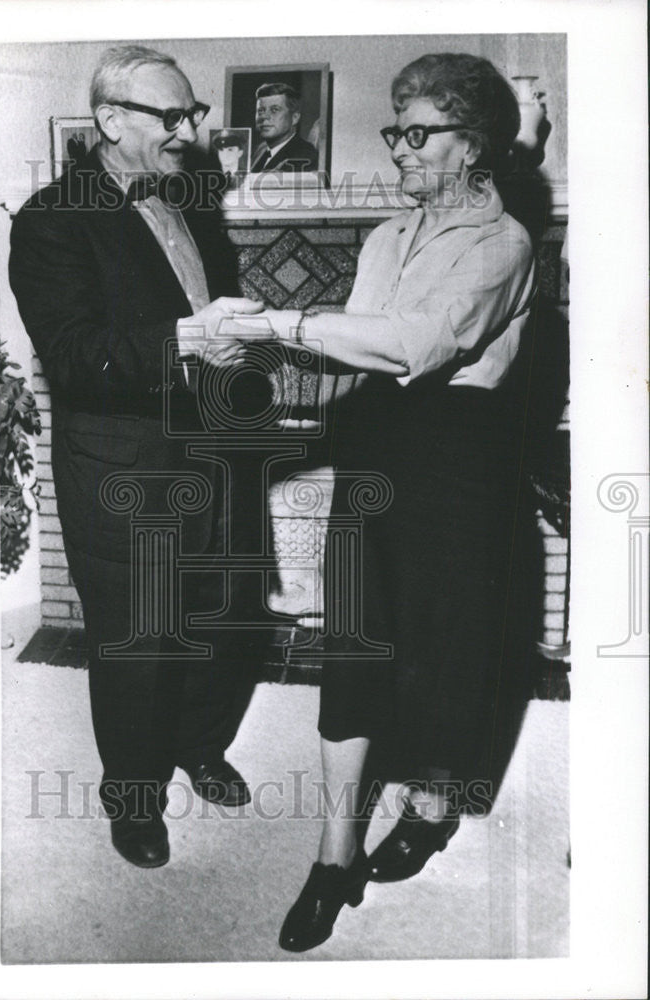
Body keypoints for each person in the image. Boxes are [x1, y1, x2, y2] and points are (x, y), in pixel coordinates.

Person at [234, 52, 536, 951]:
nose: (398, 147)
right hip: (377, 452)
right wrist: (252, 361)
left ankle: (431, 808)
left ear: (473, 143)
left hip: (456, 465)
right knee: (354, 647)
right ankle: (332, 858)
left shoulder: (502, 242)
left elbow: (411, 344)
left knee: (446, 649)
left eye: (418, 132)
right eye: (393, 129)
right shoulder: (380, 237)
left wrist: (278, 322)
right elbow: (352, 354)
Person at [9, 45, 264, 869]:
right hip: (123, 469)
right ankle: (134, 798)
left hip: (211, 455)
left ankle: (197, 745)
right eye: (174, 117)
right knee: (138, 644)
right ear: (111, 122)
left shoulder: (185, 198)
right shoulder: (52, 217)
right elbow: (78, 355)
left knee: (215, 621)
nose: (191, 133)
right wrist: (188, 338)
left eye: (193, 114)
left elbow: (199, 309)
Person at [250, 82, 318, 172]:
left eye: (274, 110)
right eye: (261, 111)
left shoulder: (306, 155)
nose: (264, 117)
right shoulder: (260, 149)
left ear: (295, 118)